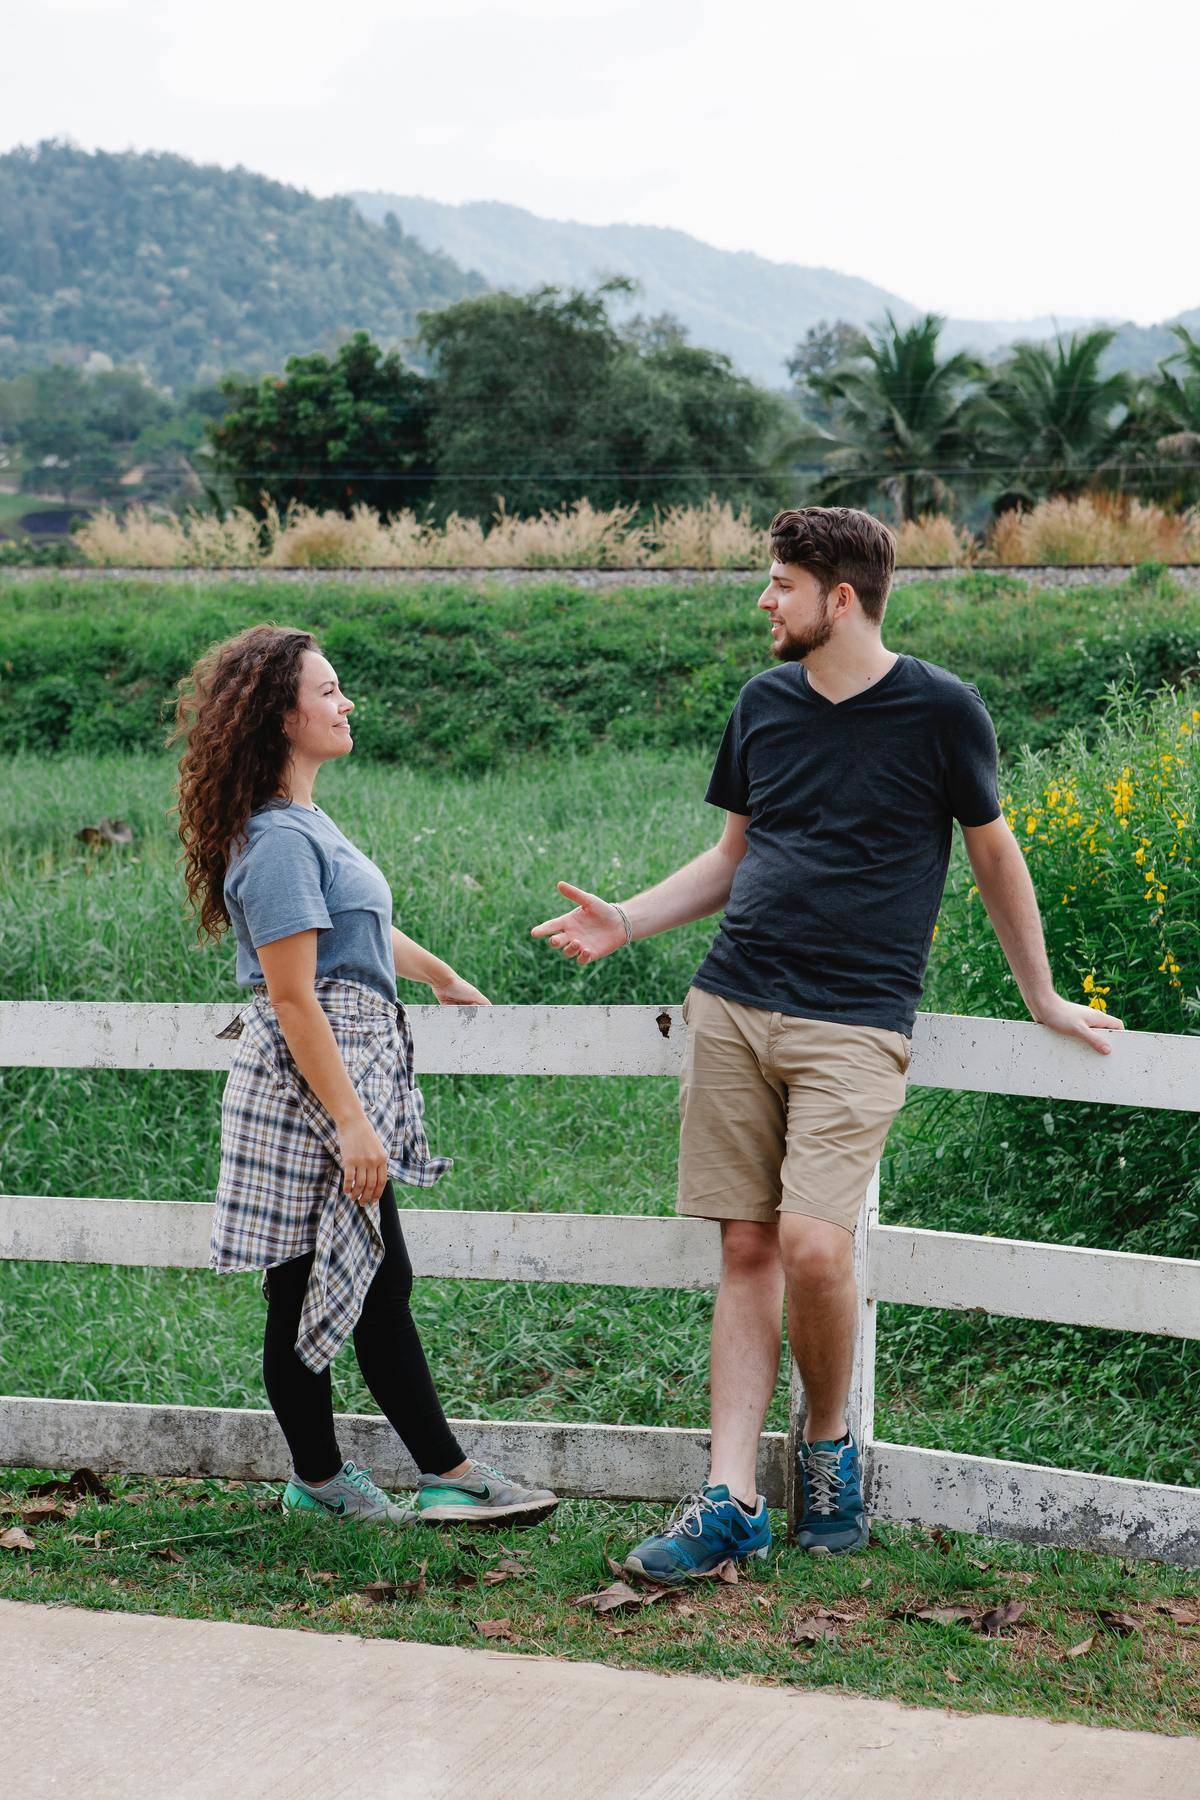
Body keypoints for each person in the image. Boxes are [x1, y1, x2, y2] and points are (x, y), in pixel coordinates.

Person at [532, 505, 1123, 1582]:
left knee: (814, 1245)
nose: (764, 600)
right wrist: (627, 917)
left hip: (856, 1022)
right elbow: (731, 860)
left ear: (837, 598)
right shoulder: (763, 704)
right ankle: (731, 1499)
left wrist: (1041, 996)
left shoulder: (943, 710)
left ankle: (827, 1448)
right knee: (745, 1249)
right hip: (735, 1001)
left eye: (780, 584)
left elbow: (996, 858)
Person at [170, 623, 557, 1529]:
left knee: (362, 1278)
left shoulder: (305, 827)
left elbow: (356, 931)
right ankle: (370, 1477)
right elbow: (295, 994)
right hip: (311, 1085)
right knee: (320, 1278)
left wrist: (443, 978)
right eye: (330, 690)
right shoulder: (272, 843)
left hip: (341, 1068)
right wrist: (351, 1123)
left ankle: (391, 1476)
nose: (346, 704)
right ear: (281, 715)